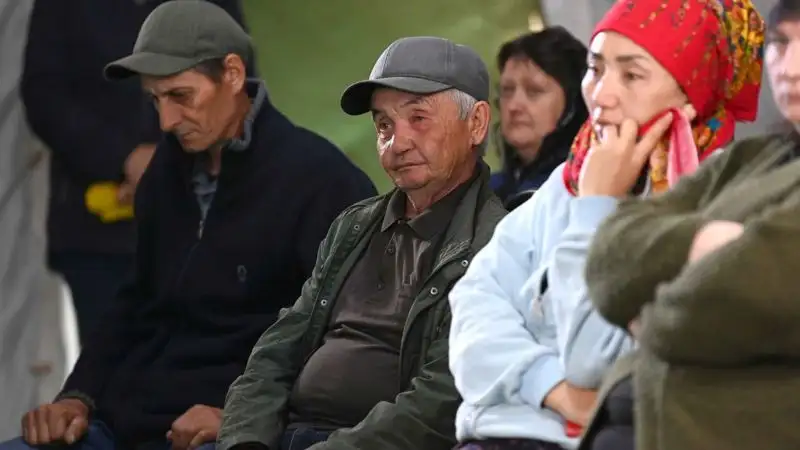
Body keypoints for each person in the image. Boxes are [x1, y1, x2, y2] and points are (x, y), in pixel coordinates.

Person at [0, 2, 377, 450]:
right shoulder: (166, 172)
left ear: (234, 75)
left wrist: (251, 417)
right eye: (155, 100)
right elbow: (135, 304)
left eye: (180, 96)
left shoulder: (321, 182)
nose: (165, 122)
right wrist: (75, 399)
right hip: (126, 424)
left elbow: (354, 338)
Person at [447, 0, 764, 449]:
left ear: (692, 94)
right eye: (596, 69)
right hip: (499, 434)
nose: (601, 95)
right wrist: (552, 388)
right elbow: (472, 307)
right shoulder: (571, 177)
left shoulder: (717, 208)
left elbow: (592, 362)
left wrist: (597, 209)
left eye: (631, 75)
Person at [217, 36, 506, 450]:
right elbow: (276, 352)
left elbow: (442, 400)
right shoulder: (353, 226)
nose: (397, 143)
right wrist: (245, 443)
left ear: (476, 123)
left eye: (418, 118)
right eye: (384, 124)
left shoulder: (496, 243)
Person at [580, 1, 800, 450]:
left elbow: (741, 296)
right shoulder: (752, 160)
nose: (790, 67)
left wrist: (647, 316)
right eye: (780, 43)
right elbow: (606, 260)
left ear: (689, 89)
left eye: (633, 74)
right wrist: (706, 242)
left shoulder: (719, 161)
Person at [20, 0, 253, 344]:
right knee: (113, 381)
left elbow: (238, 86)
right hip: (99, 235)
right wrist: (125, 158)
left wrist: (174, 162)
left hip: (200, 231)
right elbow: (45, 96)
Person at [489, 27, 588, 210]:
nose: (513, 106)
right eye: (507, 91)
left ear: (574, 104)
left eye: (534, 91)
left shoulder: (585, 187)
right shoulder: (487, 192)